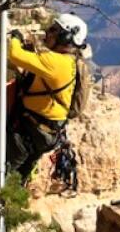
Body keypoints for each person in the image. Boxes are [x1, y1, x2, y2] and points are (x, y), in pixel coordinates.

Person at [5, 12, 88, 182]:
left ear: (65, 37)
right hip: (47, 132)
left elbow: (14, 54)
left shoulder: (55, 62)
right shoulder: (70, 61)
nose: (47, 33)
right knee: (19, 176)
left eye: (53, 30)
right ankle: (9, 204)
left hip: (31, 129)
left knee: (1, 173)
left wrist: (15, 37)